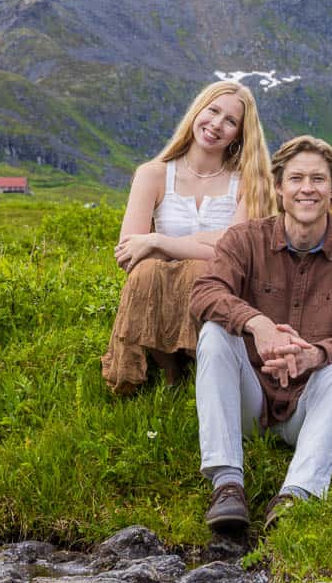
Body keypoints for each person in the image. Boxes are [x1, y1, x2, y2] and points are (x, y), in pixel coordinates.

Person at [189, 135, 332, 532]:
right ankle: (227, 484)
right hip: (248, 397)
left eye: (318, 179)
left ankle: (297, 494)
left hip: (308, 407)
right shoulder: (244, 239)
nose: (307, 188)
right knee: (214, 333)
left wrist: (313, 355)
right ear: (279, 187)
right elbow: (204, 293)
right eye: (296, 179)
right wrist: (258, 324)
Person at [100, 80, 275, 393]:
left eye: (230, 121)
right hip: (160, 288)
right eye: (213, 111)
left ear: (239, 134)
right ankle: (167, 369)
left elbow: (239, 255)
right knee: (147, 270)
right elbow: (128, 253)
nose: (216, 124)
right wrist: (210, 242)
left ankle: (200, 364)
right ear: (197, 111)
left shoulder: (248, 183)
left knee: (198, 271)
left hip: (221, 289)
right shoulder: (153, 174)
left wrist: (159, 241)